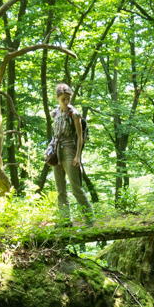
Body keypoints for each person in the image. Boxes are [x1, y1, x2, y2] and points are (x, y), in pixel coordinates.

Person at [51, 83, 94, 226]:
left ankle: (90, 219)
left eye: (68, 98)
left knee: (77, 189)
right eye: (63, 99)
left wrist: (77, 156)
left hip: (70, 153)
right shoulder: (54, 113)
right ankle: (65, 221)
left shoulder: (75, 114)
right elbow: (55, 135)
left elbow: (80, 137)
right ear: (57, 97)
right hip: (57, 155)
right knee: (60, 190)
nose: (66, 101)